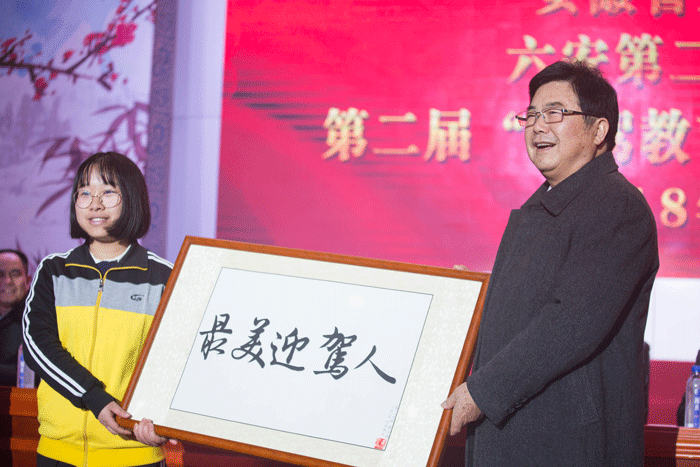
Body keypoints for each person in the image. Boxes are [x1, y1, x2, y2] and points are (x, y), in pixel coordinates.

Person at [442, 61, 659, 466]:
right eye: (531, 115)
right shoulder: (542, 206)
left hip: (570, 444)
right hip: (520, 437)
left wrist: (481, 394)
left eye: (555, 113)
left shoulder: (617, 206)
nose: (538, 126)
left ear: (599, 130)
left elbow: (571, 322)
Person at [22, 152, 174, 467]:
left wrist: (164, 422)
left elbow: (176, 362)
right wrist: (94, 397)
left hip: (134, 454)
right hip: (58, 453)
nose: (94, 204)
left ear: (132, 199)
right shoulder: (54, 270)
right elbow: (37, 346)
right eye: (84, 193)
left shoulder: (163, 277)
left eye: (108, 192)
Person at [0, 249, 31, 386]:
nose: (7, 281)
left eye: (15, 274)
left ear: (28, 281)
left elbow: (34, 374)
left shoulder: (40, 320)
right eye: (0, 274)